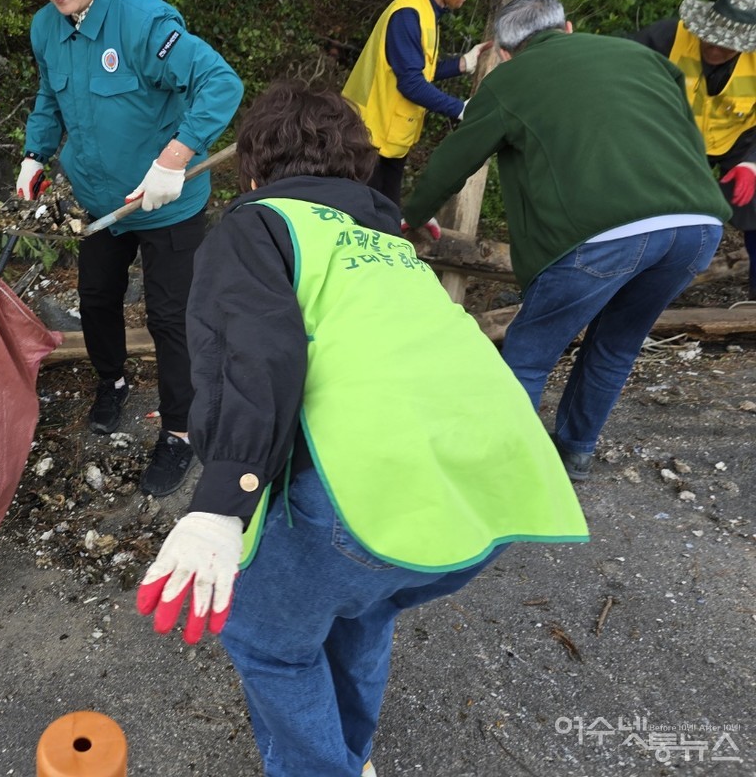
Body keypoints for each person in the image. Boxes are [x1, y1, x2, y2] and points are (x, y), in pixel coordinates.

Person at [135, 80, 588, 777]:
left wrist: (222, 503)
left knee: (270, 640)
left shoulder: (259, 225)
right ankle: (355, 753)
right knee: (362, 609)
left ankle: (325, 768)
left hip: (367, 492)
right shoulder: (391, 247)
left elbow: (257, 352)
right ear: (359, 172)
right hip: (491, 495)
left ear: (253, 174)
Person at [404, 0, 731, 481]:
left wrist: (411, 216)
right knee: (616, 346)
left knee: (530, 353)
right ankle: (575, 453)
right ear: (569, 28)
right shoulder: (643, 57)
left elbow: (454, 161)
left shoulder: (509, 79)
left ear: (507, 51)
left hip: (602, 234)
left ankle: (498, 470)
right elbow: (688, 136)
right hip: (696, 226)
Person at [10, 0, 244, 497]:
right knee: (97, 298)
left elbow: (220, 82)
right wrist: (36, 152)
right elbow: (50, 95)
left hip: (168, 202)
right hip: (100, 203)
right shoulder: (46, 28)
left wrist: (175, 157)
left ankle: (180, 432)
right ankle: (111, 381)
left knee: (172, 318)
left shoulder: (143, 22)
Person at [341, 0, 492, 208]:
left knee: (386, 214)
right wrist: (460, 109)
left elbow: (418, 70)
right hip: (367, 138)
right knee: (366, 218)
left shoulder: (425, 12)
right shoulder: (408, 14)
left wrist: (462, 64)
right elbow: (410, 83)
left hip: (388, 139)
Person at [629, 0, 756, 296]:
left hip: (739, 136)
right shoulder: (667, 36)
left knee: (755, 206)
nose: (715, 47)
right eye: (710, 37)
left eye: (727, 46)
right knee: (652, 208)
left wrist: (752, 162)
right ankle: (638, 288)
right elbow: (615, 65)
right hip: (673, 136)